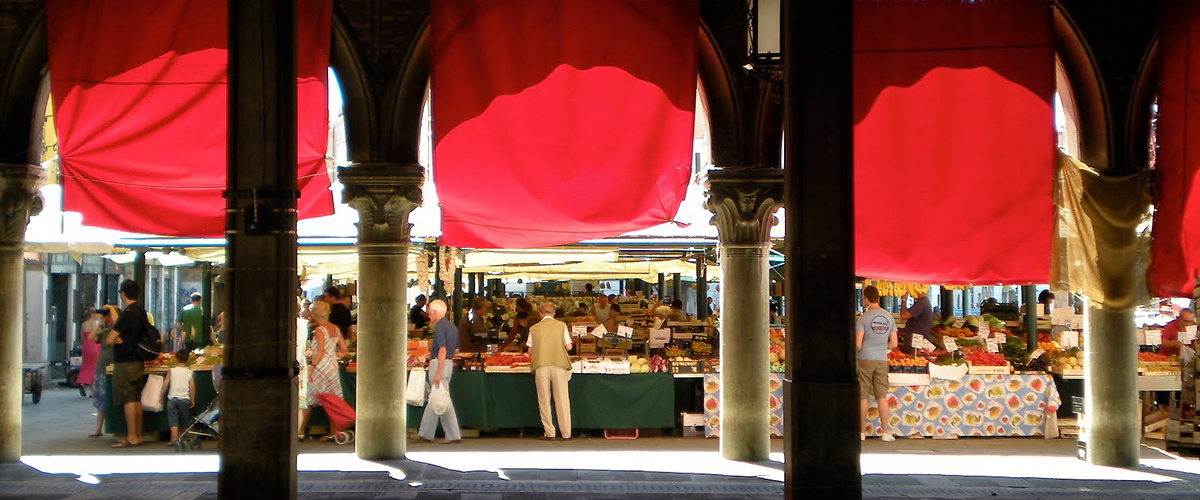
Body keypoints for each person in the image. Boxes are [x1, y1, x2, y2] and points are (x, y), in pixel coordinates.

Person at [106, 280, 148, 448]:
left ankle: (131, 436)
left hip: (125, 361)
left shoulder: (127, 314)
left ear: (123, 294)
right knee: (136, 398)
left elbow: (109, 339)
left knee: (128, 399)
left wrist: (116, 334)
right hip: (138, 360)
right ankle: (138, 435)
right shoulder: (141, 311)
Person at [299, 301, 348, 441]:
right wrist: (332, 356)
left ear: (314, 314)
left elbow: (320, 350)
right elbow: (343, 349)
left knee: (307, 399)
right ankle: (333, 432)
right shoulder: (335, 328)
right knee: (332, 399)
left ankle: (301, 430)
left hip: (320, 367)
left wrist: (312, 365)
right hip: (332, 366)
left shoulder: (320, 330)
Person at [857, 285, 898, 442]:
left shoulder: (863, 318)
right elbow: (894, 343)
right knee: (882, 396)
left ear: (866, 299)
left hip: (865, 359)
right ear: (878, 298)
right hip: (882, 359)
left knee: (863, 396)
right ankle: (886, 432)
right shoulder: (889, 317)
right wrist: (883, 347)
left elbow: (858, 343)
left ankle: (861, 433)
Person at [418, 299, 462, 444]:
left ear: (435, 312)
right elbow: (455, 349)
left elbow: (442, 349)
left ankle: (449, 434)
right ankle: (427, 432)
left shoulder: (440, 327)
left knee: (439, 398)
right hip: (448, 363)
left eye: (430, 312)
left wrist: (438, 372)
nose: (428, 315)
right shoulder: (452, 327)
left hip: (439, 364)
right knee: (439, 398)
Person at [528, 302, 573, 441]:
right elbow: (569, 346)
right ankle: (566, 433)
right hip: (559, 365)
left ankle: (549, 432)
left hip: (541, 366)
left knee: (544, 400)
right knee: (562, 399)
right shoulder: (561, 326)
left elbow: (530, 350)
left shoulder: (534, 328)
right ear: (554, 313)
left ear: (540, 314)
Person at [88, 306, 116, 438]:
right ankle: (98, 428)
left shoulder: (118, 332)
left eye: (110, 316)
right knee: (100, 401)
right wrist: (100, 322)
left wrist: (112, 310)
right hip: (101, 368)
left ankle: (113, 426)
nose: (108, 318)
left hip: (114, 369)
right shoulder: (104, 332)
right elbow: (92, 337)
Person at [161, 350, 195, 446]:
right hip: (184, 399)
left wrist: (161, 395)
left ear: (176, 358)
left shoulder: (172, 371)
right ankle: (183, 437)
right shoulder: (189, 372)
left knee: (173, 420)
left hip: (172, 399)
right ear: (188, 359)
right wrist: (192, 399)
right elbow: (192, 386)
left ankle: (174, 439)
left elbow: (165, 383)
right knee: (184, 420)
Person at [77, 308, 102, 396]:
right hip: (96, 347)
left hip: (86, 347)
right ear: (93, 314)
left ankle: (82, 382)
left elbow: (82, 337)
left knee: (86, 366)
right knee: (95, 367)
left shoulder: (84, 324)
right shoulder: (97, 323)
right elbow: (99, 336)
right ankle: (92, 391)